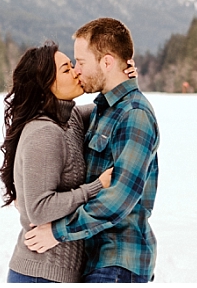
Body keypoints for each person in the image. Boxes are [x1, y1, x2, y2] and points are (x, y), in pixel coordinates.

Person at [23, 18, 159, 283]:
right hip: (95, 261)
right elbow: (53, 119)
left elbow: (119, 199)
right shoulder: (102, 110)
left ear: (106, 63)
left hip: (118, 262)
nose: (77, 71)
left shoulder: (134, 115)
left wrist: (57, 232)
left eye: (81, 62)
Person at [0, 41, 113, 283]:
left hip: (56, 274)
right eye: (66, 69)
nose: (76, 72)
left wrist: (120, 75)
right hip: (40, 275)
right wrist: (95, 188)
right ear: (45, 85)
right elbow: (39, 210)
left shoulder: (68, 119)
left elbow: (109, 105)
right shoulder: (45, 132)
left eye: (73, 65)